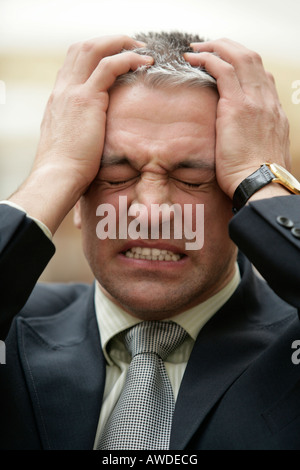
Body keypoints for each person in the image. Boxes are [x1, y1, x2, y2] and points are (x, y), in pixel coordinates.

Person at [0, 31, 300, 451]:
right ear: (77, 198)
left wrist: (264, 179)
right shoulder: (12, 332)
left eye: (193, 179)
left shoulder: (291, 343)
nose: (150, 212)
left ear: (239, 203)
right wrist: (53, 170)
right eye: (115, 177)